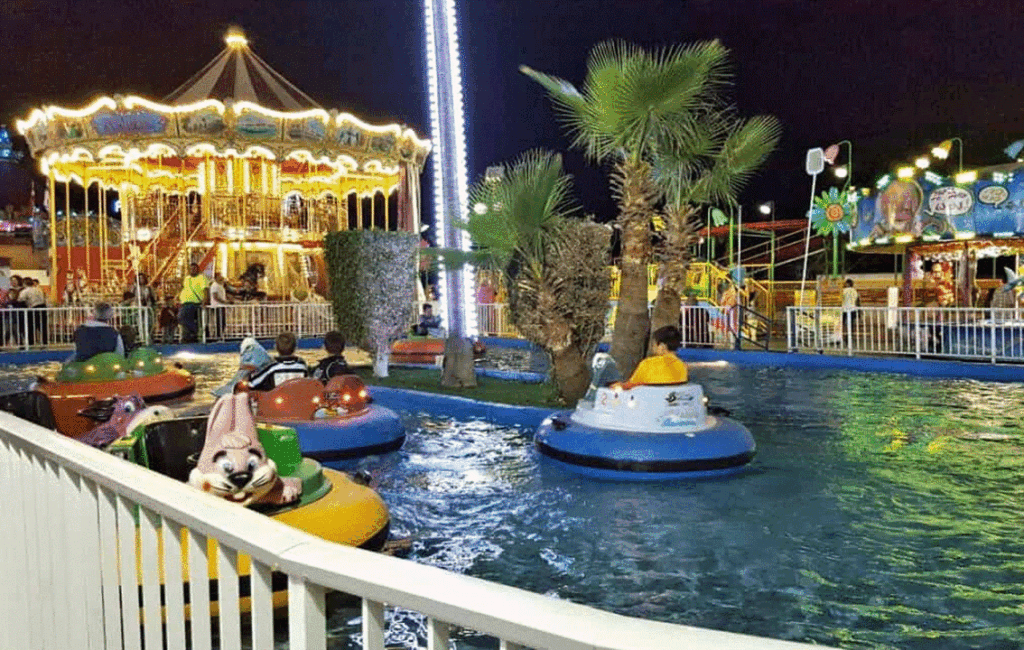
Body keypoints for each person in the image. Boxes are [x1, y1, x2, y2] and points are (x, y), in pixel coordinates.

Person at [177, 263, 209, 343]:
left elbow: (205, 290)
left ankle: (193, 334)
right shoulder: (187, 278)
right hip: (185, 302)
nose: (193, 270)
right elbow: (184, 288)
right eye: (191, 269)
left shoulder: (201, 278)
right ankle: (188, 335)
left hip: (194, 302)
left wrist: (204, 301)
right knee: (182, 319)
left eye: (194, 269)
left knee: (187, 319)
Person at [19, 277, 47, 346]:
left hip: (33, 309)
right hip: (42, 308)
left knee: (31, 327)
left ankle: (30, 343)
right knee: (42, 327)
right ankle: (45, 342)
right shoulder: (39, 290)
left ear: (24, 283)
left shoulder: (25, 291)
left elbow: (20, 300)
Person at [208, 272, 231, 340]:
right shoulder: (214, 286)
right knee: (219, 322)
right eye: (220, 276)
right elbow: (215, 297)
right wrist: (224, 302)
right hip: (217, 306)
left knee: (222, 322)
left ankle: (220, 335)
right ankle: (218, 336)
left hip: (221, 306)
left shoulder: (220, 285)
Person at [841, 278, 860, 345]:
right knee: (851, 324)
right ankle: (850, 337)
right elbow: (857, 300)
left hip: (845, 309)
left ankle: (845, 337)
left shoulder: (844, 290)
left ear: (847, 284)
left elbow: (841, 298)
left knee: (844, 324)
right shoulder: (855, 291)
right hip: (853, 309)